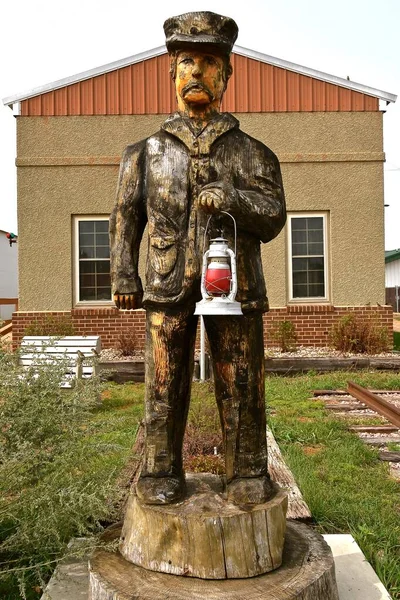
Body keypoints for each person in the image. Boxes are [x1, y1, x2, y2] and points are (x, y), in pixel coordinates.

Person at [110, 11, 286, 505]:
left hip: (236, 287)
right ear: (171, 73)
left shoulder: (254, 154)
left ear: (227, 76)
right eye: (186, 60)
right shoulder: (144, 153)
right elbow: (126, 217)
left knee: (242, 380)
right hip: (166, 284)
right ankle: (160, 470)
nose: (196, 72)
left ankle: (248, 472)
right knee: (164, 381)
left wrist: (233, 197)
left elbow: (273, 217)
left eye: (209, 62)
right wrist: (125, 272)